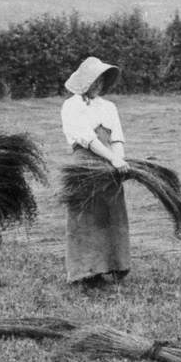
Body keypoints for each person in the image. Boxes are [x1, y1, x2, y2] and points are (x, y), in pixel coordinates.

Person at [60, 56, 130, 285]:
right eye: (94, 81)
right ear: (84, 82)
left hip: (109, 169)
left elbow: (117, 137)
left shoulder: (109, 107)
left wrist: (118, 161)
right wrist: (111, 158)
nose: (98, 85)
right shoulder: (71, 106)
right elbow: (87, 139)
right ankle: (86, 272)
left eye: (101, 81)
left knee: (110, 215)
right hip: (84, 167)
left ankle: (114, 266)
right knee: (86, 218)